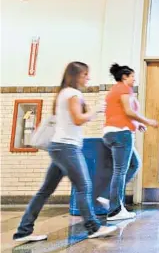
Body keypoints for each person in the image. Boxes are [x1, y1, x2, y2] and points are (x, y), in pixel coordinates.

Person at [13, 62, 117, 242]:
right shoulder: (73, 94)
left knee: (45, 190)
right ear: (76, 76)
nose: (88, 78)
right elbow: (78, 120)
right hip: (67, 148)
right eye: (85, 74)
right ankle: (93, 227)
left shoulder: (64, 93)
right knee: (84, 187)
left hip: (59, 147)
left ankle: (23, 231)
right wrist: (96, 111)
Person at [98, 64, 157, 222]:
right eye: (132, 76)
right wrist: (148, 121)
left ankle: (110, 198)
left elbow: (120, 113)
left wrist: (138, 124)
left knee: (133, 164)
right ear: (124, 77)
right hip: (121, 133)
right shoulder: (124, 89)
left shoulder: (113, 91)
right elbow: (128, 111)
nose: (134, 79)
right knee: (120, 171)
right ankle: (115, 209)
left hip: (111, 132)